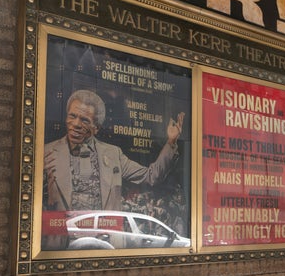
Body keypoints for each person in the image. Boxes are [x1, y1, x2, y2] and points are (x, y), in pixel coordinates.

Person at [43, 89, 185, 213]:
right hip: (62, 240)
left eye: (84, 120)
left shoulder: (113, 154)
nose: (76, 124)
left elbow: (151, 176)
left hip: (106, 240)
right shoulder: (46, 153)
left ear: (96, 128)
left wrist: (171, 142)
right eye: (72, 116)